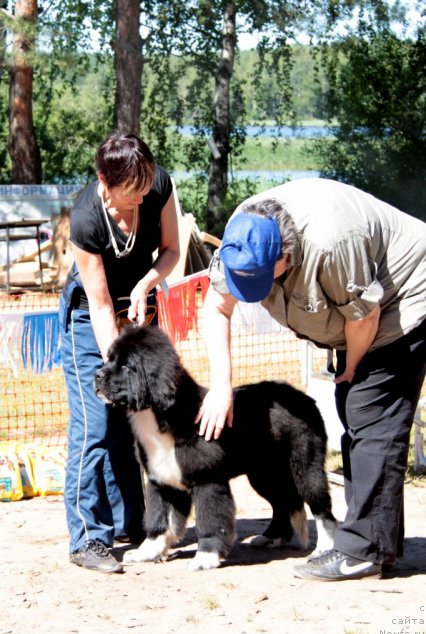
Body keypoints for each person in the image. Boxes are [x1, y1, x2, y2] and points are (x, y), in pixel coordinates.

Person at [197, 178, 426, 581]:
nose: (251, 291)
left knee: (369, 412)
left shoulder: (330, 241)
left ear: (286, 254)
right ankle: (377, 539)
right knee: (356, 416)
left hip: (403, 299)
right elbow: (216, 306)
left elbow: (365, 317)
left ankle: (363, 551)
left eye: (261, 279)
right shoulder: (242, 234)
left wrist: (349, 369)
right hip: (362, 315)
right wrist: (220, 386)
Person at [59, 132, 180, 573]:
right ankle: (87, 538)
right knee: (96, 424)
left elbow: (171, 250)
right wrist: (120, 364)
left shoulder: (158, 186)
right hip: (91, 319)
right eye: (125, 196)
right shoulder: (87, 217)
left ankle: (134, 521)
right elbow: (101, 304)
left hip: (139, 307)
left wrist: (147, 282)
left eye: (141, 193)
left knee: (134, 421)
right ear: (102, 181)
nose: (133, 204)